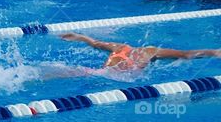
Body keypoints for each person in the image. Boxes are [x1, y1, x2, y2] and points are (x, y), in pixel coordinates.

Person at [60, 32, 221, 72]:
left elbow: (94, 43)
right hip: (120, 79)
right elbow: (186, 54)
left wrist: (79, 36)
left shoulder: (119, 47)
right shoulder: (150, 52)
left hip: (99, 73)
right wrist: (214, 52)